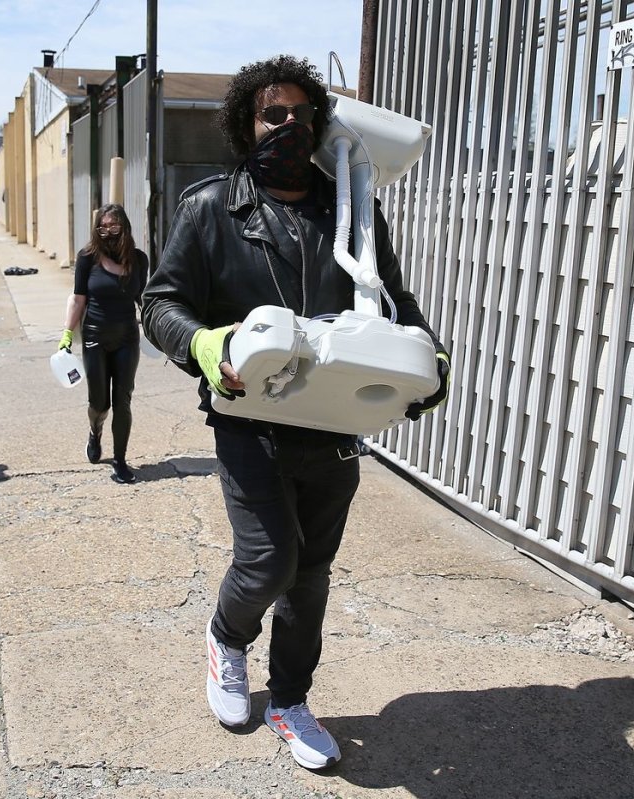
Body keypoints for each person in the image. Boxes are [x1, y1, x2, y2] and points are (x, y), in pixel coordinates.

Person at [141, 55, 450, 770]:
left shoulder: (351, 210)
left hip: (335, 419)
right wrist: (206, 344)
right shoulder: (211, 207)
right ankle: (227, 636)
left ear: (319, 122)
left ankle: (289, 700)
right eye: (271, 114)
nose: (288, 124)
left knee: (311, 572)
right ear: (245, 125)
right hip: (249, 413)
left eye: (300, 113)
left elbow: (394, 298)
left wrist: (429, 356)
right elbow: (160, 304)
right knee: (270, 558)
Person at [57, 204, 149, 484]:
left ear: (124, 227)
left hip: (127, 338)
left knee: (123, 400)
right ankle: (95, 432)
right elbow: (78, 298)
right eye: (103, 226)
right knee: (99, 402)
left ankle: (120, 460)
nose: (108, 231)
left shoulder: (139, 260)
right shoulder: (87, 257)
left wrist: (156, 327)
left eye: (113, 226)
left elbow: (141, 299)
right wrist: (67, 335)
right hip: (95, 337)